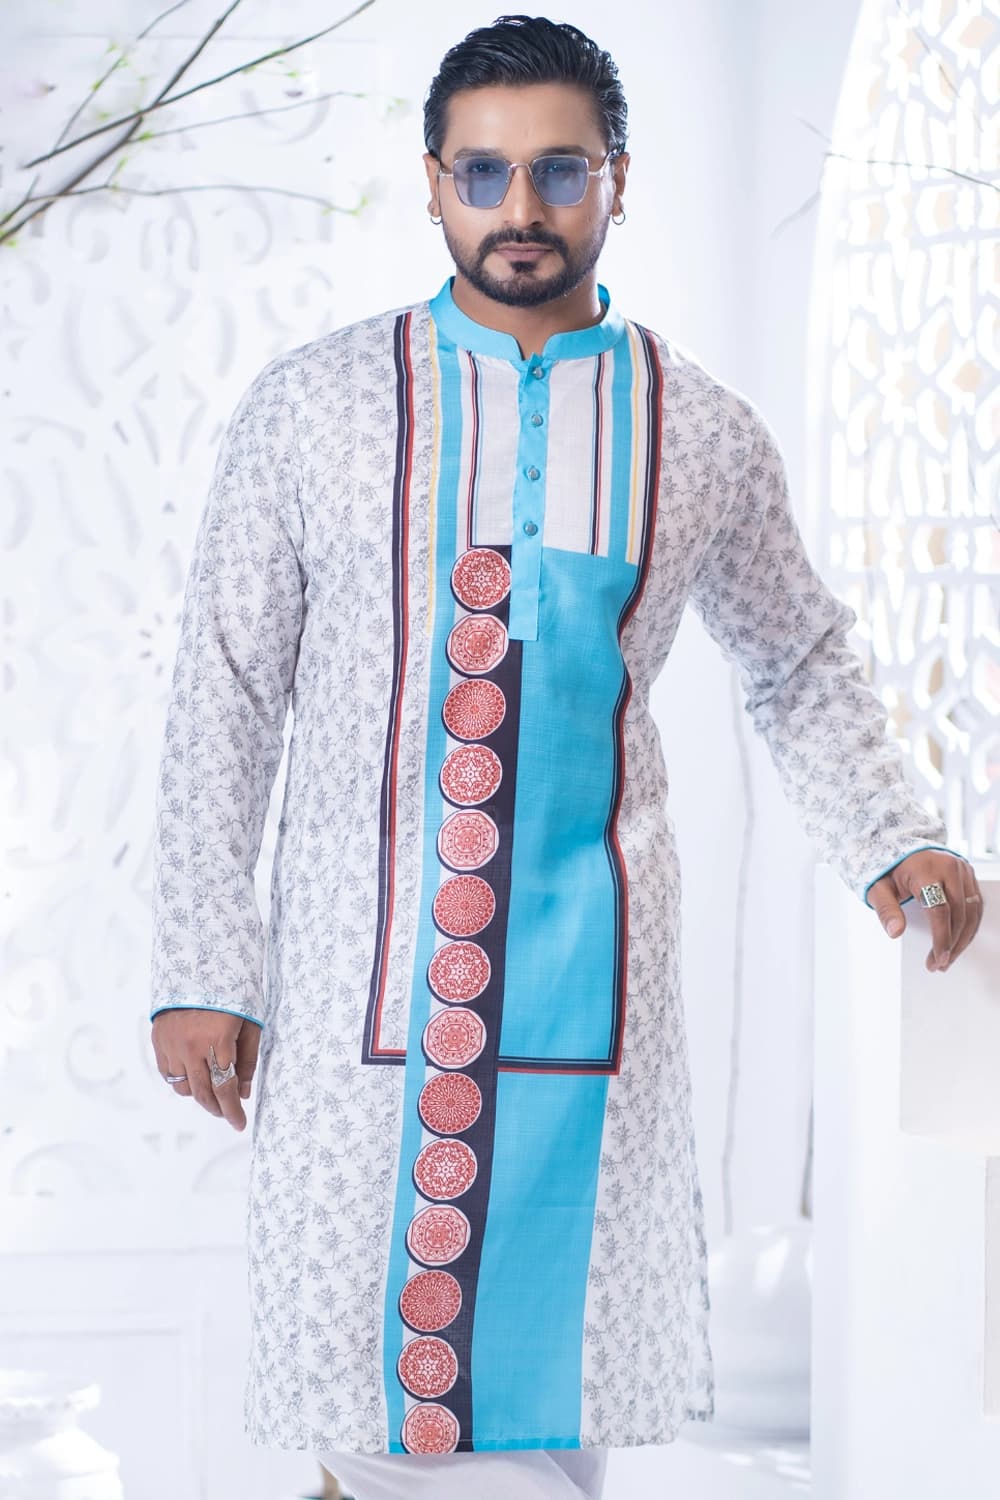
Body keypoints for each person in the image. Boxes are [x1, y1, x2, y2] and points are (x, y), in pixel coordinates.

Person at [147, 14, 983, 1500]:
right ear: (432, 183)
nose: (519, 206)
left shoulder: (698, 429)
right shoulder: (316, 407)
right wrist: (206, 962)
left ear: (617, 179)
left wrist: (888, 830)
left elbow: (796, 654)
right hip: (357, 982)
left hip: (591, 987)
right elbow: (225, 690)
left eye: (559, 169)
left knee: (553, 1393)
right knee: (371, 1397)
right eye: (483, 171)